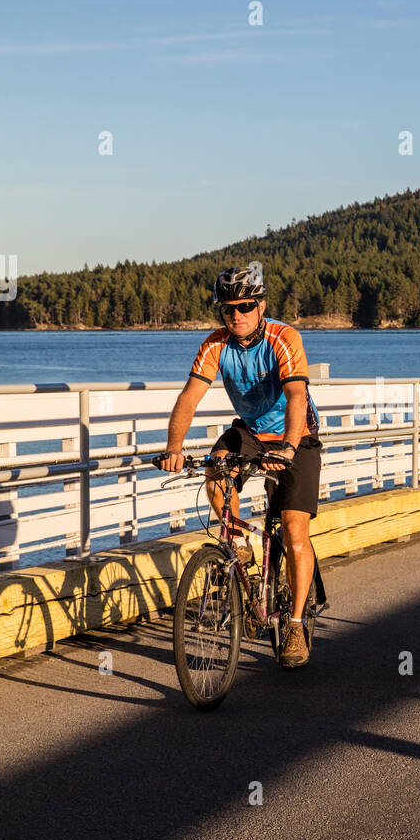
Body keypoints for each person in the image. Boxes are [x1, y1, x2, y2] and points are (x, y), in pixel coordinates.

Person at [162, 266, 322, 668]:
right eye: (228, 309)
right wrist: (174, 447)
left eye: (246, 306)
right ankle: (238, 545)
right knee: (215, 471)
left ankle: (297, 626)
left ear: (261, 305)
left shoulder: (283, 338)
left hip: (295, 436)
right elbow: (189, 397)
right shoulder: (216, 345)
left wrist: (287, 447)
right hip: (250, 432)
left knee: (293, 528)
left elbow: (296, 395)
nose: (237, 315)